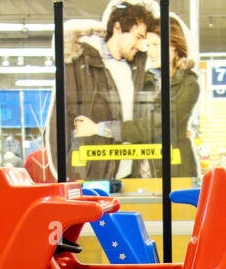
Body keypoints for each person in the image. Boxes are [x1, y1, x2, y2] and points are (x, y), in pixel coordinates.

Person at [76, 12, 200, 178]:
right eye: (148, 45)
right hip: (140, 173)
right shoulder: (145, 80)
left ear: (174, 47)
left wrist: (97, 128)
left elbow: (154, 125)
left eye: (156, 45)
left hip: (174, 173)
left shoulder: (188, 84)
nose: (150, 51)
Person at [46, 2, 159, 181]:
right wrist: (68, 176)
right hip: (92, 178)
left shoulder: (138, 67)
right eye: (137, 37)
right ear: (118, 27)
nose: (140, 45)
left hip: (129, 176)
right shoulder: (80, 63)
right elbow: (59, 123)